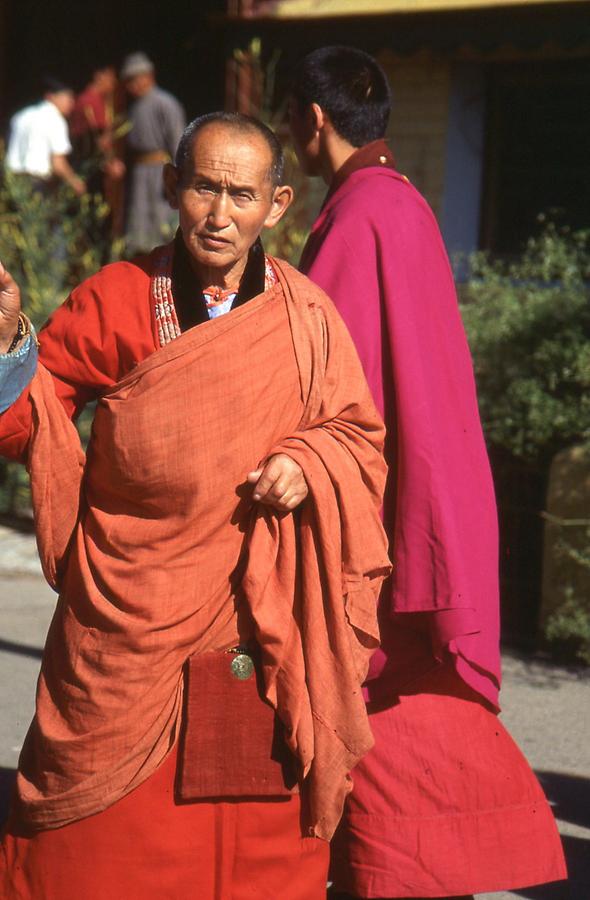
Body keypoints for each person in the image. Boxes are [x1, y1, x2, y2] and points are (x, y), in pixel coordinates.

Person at [0, 111, 390, 899]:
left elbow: (359, 438)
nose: (221, 213)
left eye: (242, 195)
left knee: (254, 850)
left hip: (259, 620)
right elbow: (29, 416)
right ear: (174, 188)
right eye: (205, 188)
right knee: (93, 855)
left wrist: (309, 462)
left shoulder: (308, 318)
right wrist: (9, 347)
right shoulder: (119, 297)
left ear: (277, 205)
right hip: (124, 625)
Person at [289, 46, 568, 900]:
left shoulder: (356, 216)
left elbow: (327, 379)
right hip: (432, 493)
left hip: (381, 508)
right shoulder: (401, 201)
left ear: (311, 123)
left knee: (384, 715)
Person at [121, 51, 186, 253]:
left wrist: (178, 175)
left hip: (159, 172)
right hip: (140, 172)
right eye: (129, 80)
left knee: (161, 220)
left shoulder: (165, 103)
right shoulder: (134, 108)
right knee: (139, 220)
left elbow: (178, 141)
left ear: (148, 76)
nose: (132, 85)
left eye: (136, 79)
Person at [5, 77, 85, 197]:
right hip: (37, 184)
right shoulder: (55, 119)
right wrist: (75, 182)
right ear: (51, 97)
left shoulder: (20, 115)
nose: (71, 104)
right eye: (68, 98)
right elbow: (58, 163)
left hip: (12, 181)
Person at [70, 64, 125, 196]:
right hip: (89, 168)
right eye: (111, 78)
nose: (114, 83)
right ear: (99, 76)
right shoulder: (91, 102)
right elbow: (100, 139)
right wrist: (111, 162)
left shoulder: (93, 100)